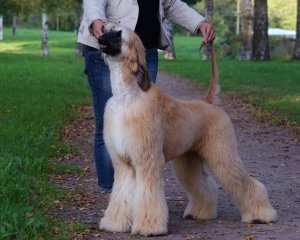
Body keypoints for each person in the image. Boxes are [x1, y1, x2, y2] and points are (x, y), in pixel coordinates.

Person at [77, 0, 215, 193]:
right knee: (108, 127)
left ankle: (140, 195)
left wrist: (199, 23)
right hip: (109, 46)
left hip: (143, 51)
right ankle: (112, 195)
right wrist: (96, 20)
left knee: (144, 130)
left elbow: (171, 3)